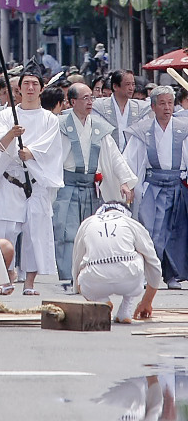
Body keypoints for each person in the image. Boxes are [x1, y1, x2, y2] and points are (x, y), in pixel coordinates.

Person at [0, 68, 63, 295]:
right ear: (19, 89)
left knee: (35, 232)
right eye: (26, 84)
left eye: (34, 84)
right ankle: (6, 277)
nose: (30, 88)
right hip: (12, 180)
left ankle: (29, 283)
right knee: (6, 229)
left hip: (35, 182)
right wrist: (10, 135)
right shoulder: (6, 116)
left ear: (41, 88)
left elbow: (51, 148)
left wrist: (31, 153)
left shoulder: (49, 119)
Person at [52, 82, 136, 285]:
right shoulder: (59, 124)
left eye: (92, 98)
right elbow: (50, 154)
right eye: (85, 98)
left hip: (91, 186)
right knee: (66, 231)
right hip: (68, 185)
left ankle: (87, 273)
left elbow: (114, 156)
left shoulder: (98, 127)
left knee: (92, 231)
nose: (90, 102)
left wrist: (124, 181)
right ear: (72, 102)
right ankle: (66, 275)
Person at [124, 85, 188, 289]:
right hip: (153, 186)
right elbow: (130, 161)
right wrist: (128, 184)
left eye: (170, 103)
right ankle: (147, 273)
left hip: (177, 184)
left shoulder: (183, 129)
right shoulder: (143, 131)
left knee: (175, 232)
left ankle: (172, 275)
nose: (167, 108)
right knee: (150, 230)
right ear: (153, 106)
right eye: (162, 103)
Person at [73, 200, 161, 323]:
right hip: (130, 279)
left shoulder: (88, 223)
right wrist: (147, 301)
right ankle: (126, 308)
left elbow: (77, 260)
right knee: (140, 253)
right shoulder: (131, 223)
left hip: (94, 281)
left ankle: (102, 301)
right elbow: (154, 262)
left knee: (84, 268)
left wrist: (80, 288)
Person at [91, 69, 151, 152]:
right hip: (108, 156)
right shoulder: (99, 107)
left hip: (133, 158)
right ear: (115, 86)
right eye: (127, 84)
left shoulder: (141, 108)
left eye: (133, 84)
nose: (131, 88)